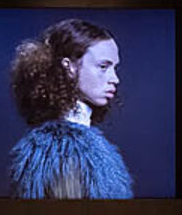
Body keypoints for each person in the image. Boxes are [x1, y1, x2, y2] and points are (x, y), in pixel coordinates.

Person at [7, 18, 134, 198]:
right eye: (103, 66)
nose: (115, 79)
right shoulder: (61, 150)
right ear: (69, 67)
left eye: (114, 68)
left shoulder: (80, 144)